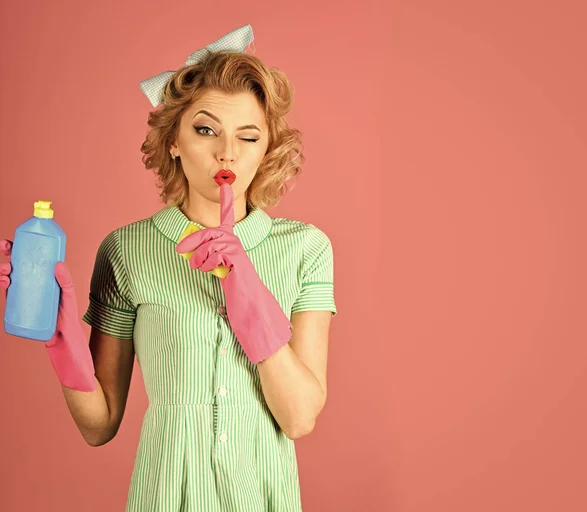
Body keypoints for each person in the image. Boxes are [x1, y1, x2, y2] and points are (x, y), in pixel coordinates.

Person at [0, 24, 337, 511]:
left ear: (266, 150)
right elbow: (99, 426)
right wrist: (62, 343)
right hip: (166, 495)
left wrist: (251, 300)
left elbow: (300, 418)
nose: (227, 152)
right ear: (174, 140)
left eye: (248, 137)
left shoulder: (305, 249)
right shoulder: (128, 249)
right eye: (205, 130)